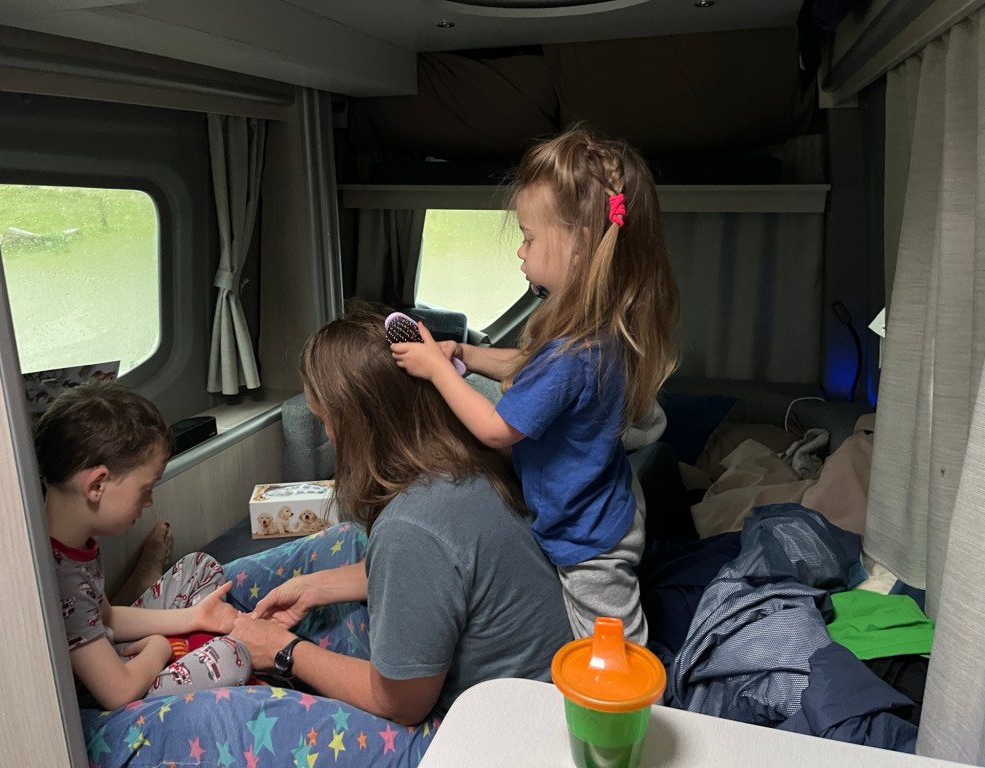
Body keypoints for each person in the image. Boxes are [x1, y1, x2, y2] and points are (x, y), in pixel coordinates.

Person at [390, 125, 680, 645]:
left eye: (528, 237)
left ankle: (654, 693)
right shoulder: (593, 329)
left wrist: (437, 370)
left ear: (580, 244)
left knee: (615, 648)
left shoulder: (574, 351)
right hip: (608, 500)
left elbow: (497, 429)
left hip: (588, 538)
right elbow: (529, 365)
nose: (520, 252)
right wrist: (467, 355)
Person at [228, 300, 572, 734]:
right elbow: (442, 575)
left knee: (231, 720)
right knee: (345, 541)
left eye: (325, 421)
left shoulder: (411, 527)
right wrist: (314, 587)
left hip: (499, 730)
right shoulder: (470, 462)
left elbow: (399, 704)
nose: (329, 437)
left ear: (357, 425)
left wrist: (284, 651)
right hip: (541, 688)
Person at [35, 380, 253, 710]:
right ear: (96, 485)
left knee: (200, 565)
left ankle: (194, 640)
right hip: (105, 701)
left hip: (112, 656)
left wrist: (195, 617)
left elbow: (107, 617)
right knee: (230, 658)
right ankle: (192, 651)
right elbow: (118, 692)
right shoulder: (61, 577)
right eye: (145, 489)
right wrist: (159, 649)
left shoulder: (73, 544)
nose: (148, 501)